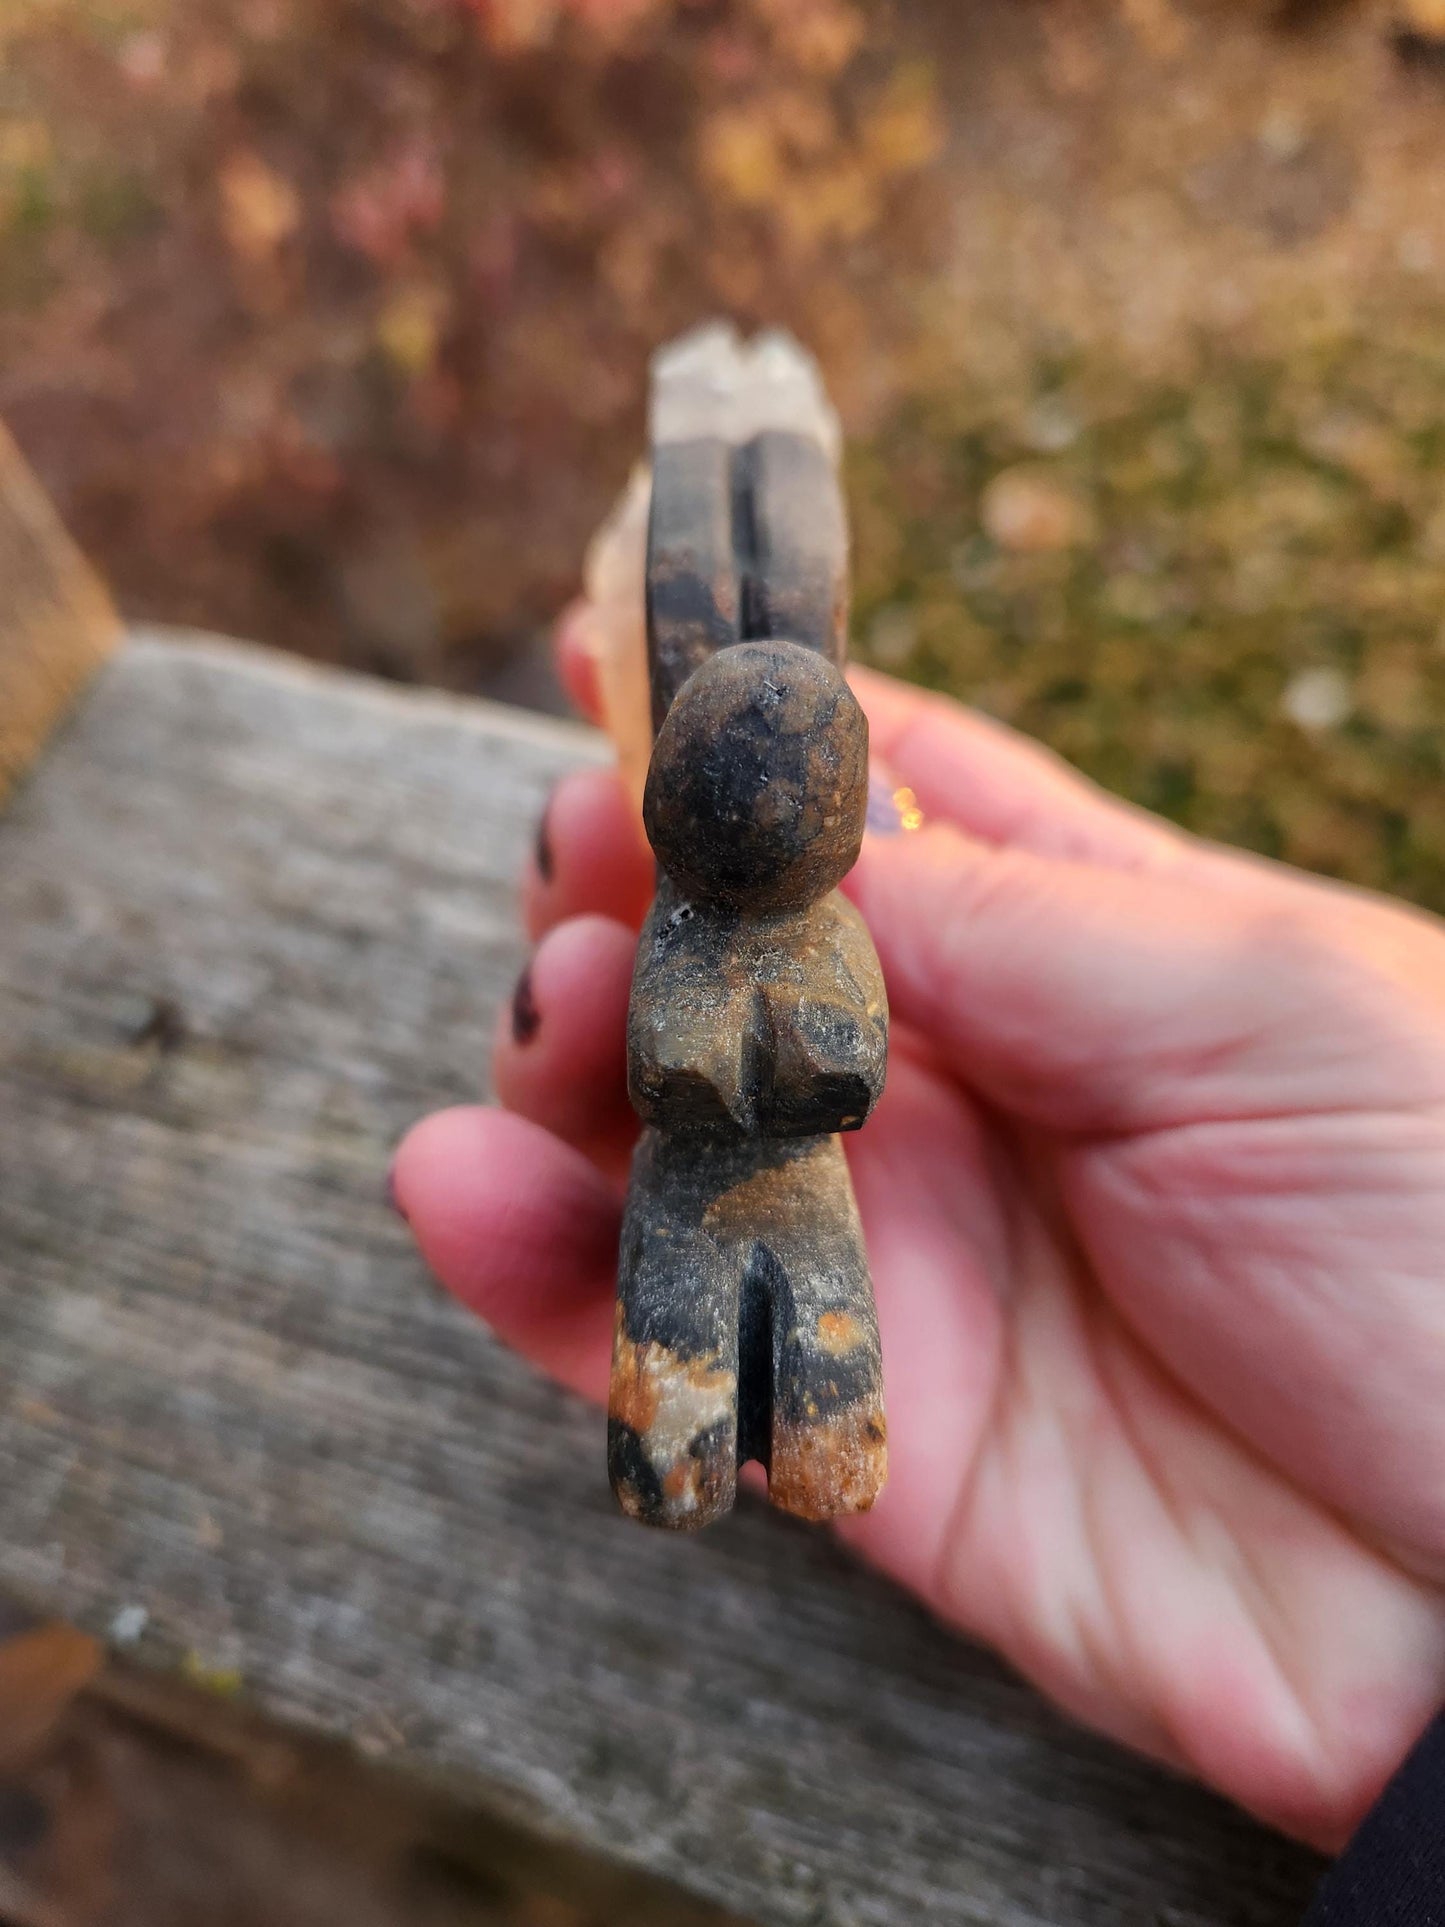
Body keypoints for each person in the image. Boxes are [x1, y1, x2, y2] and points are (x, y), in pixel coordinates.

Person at [391, 609, 1445, 1917]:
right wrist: (732, 1067)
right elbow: (662, 1059)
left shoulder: (830, 933)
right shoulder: (678, 935)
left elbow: (847, 1063)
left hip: (806, 1186)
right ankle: (672, 1462)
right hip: (689, 1182)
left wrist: (777, 1061)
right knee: (678, 1337)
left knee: (824, 1346)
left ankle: (823, 1455)